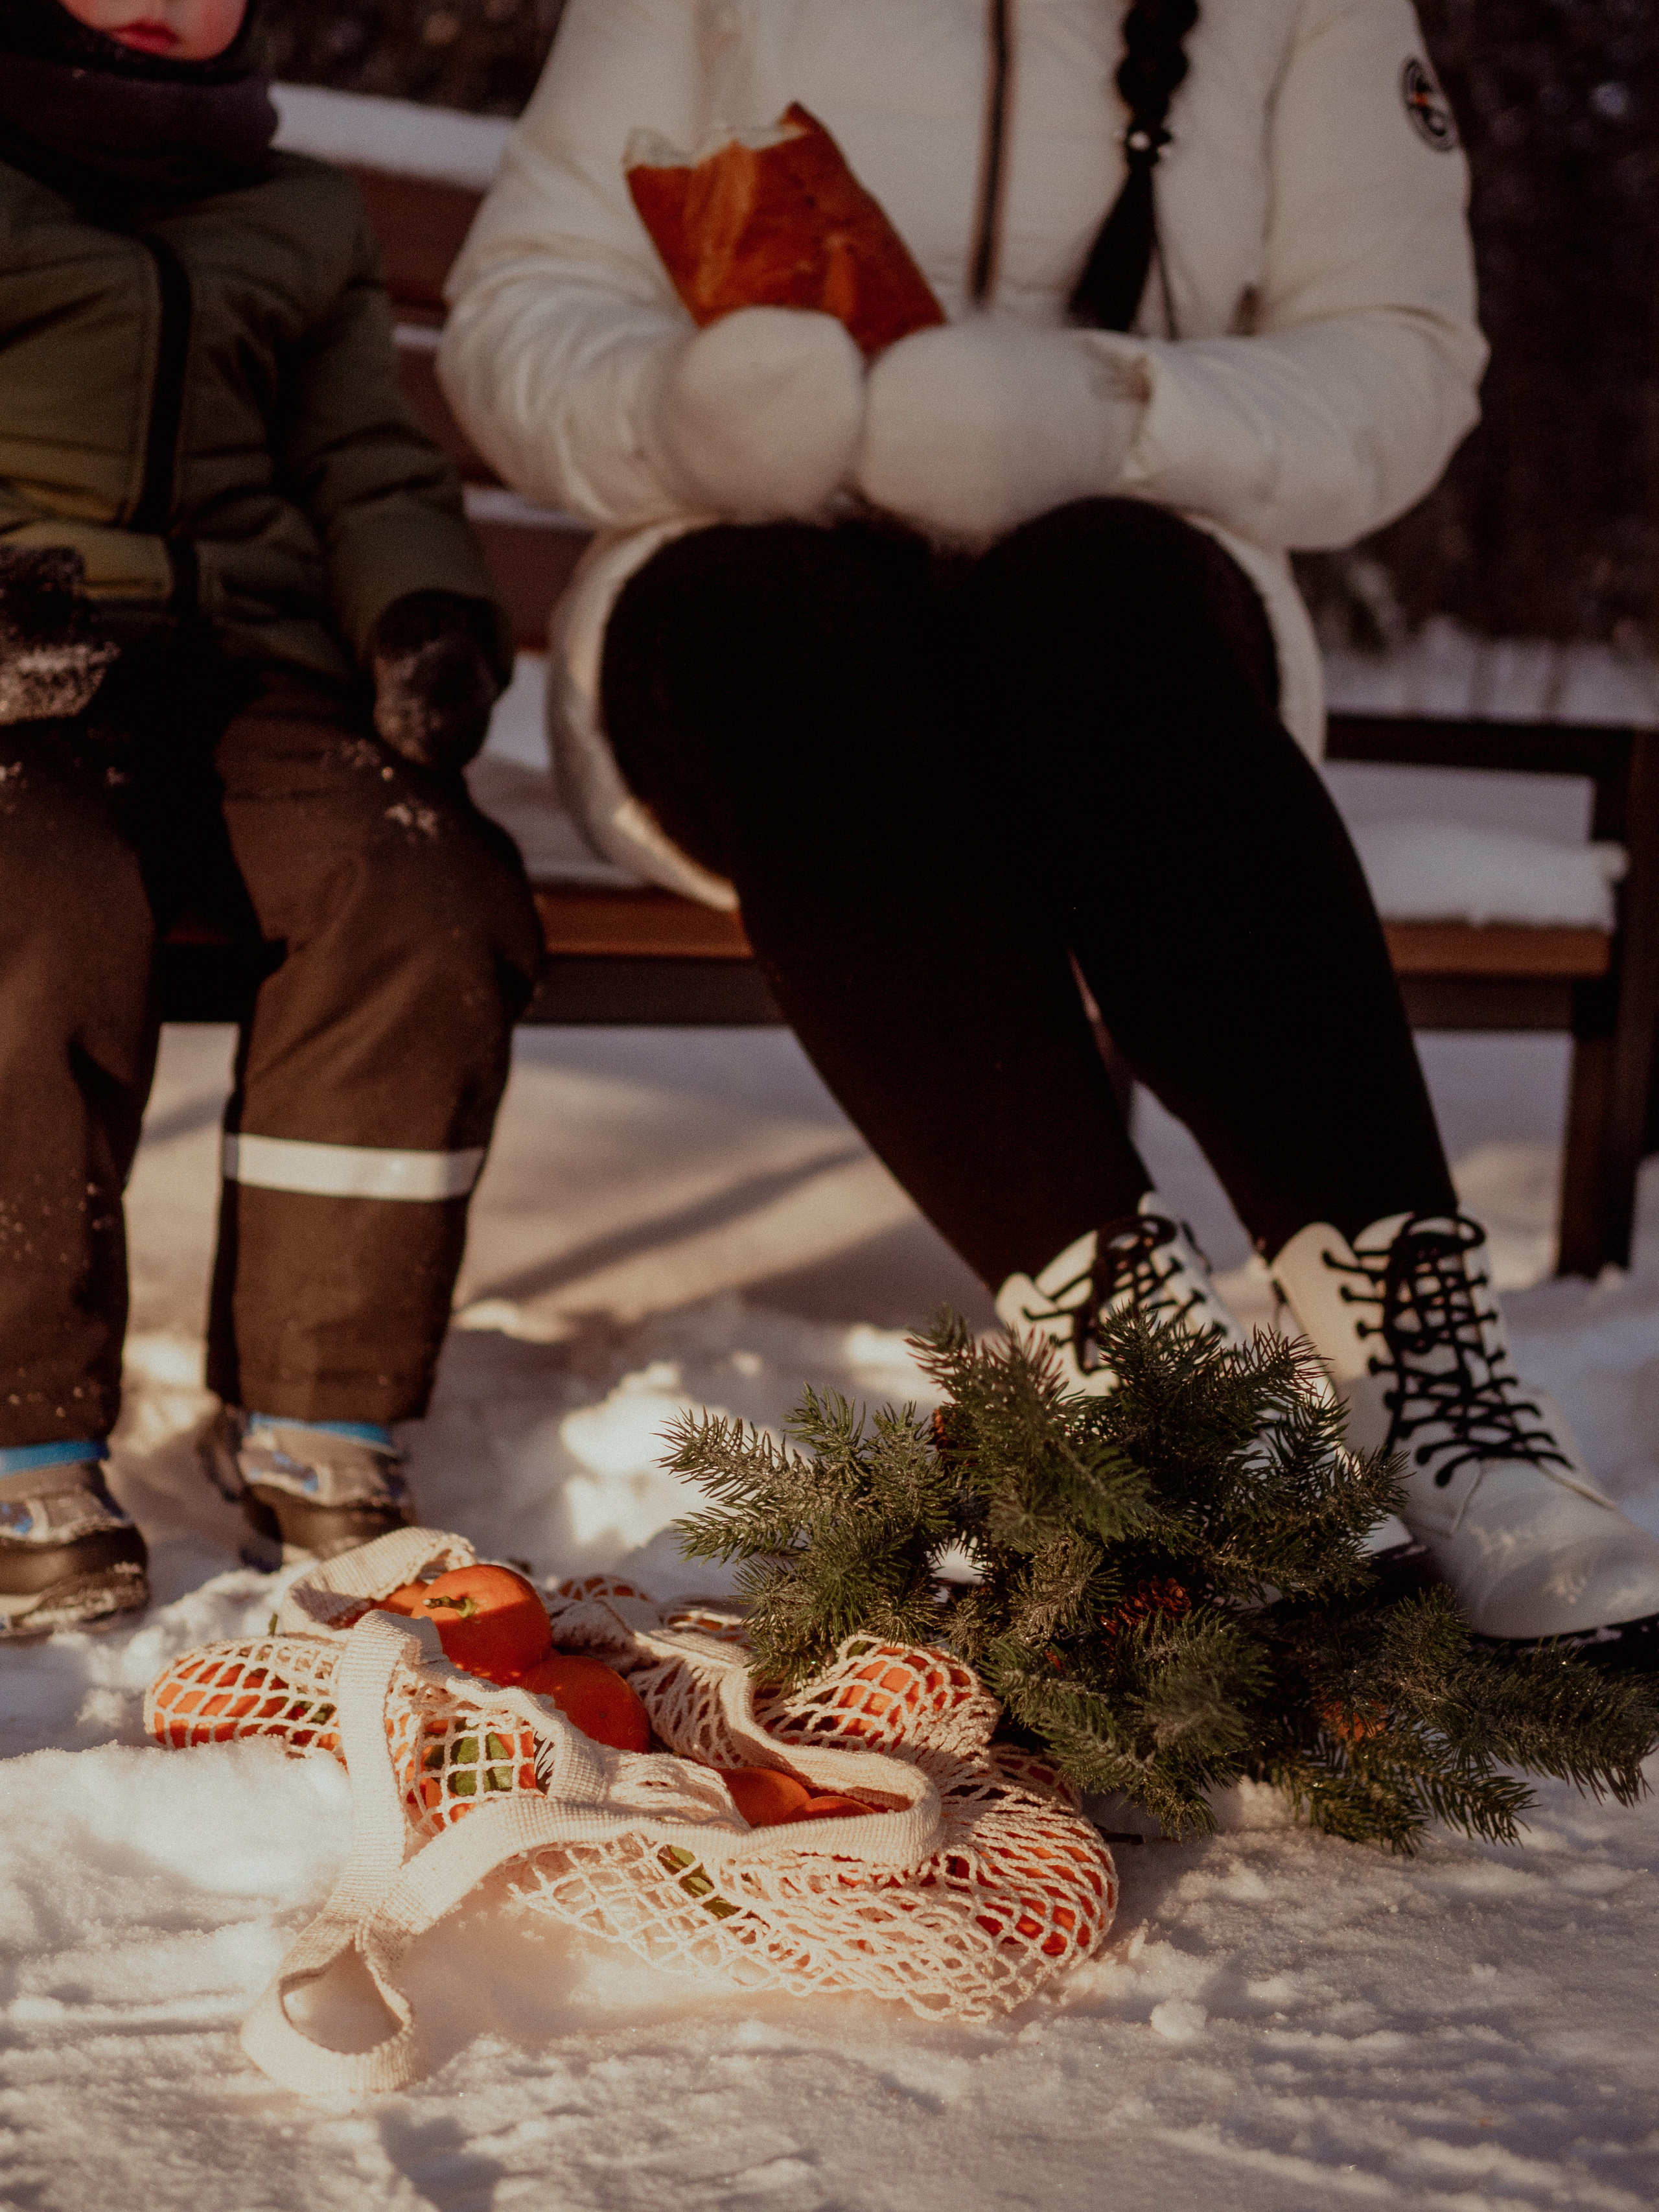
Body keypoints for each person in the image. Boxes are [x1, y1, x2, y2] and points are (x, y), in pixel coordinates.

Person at [439, 0, 1659, 1659]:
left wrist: (1112, 412)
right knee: (778, 616)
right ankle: (1138, 1363)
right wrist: (693, 413)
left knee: (1090, 590)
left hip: (1126, 638)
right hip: (736, 631)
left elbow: (1393, 349)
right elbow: (523, 308)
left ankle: (1428, 1374)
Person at [0, 0, 545, 1636]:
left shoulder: (296, 213)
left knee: (425, 888)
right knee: (35, 896)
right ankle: (19, 1426)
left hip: (243, 665)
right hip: (15, 660)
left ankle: (325, 1407)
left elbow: (363, 461)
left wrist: (420, 615)